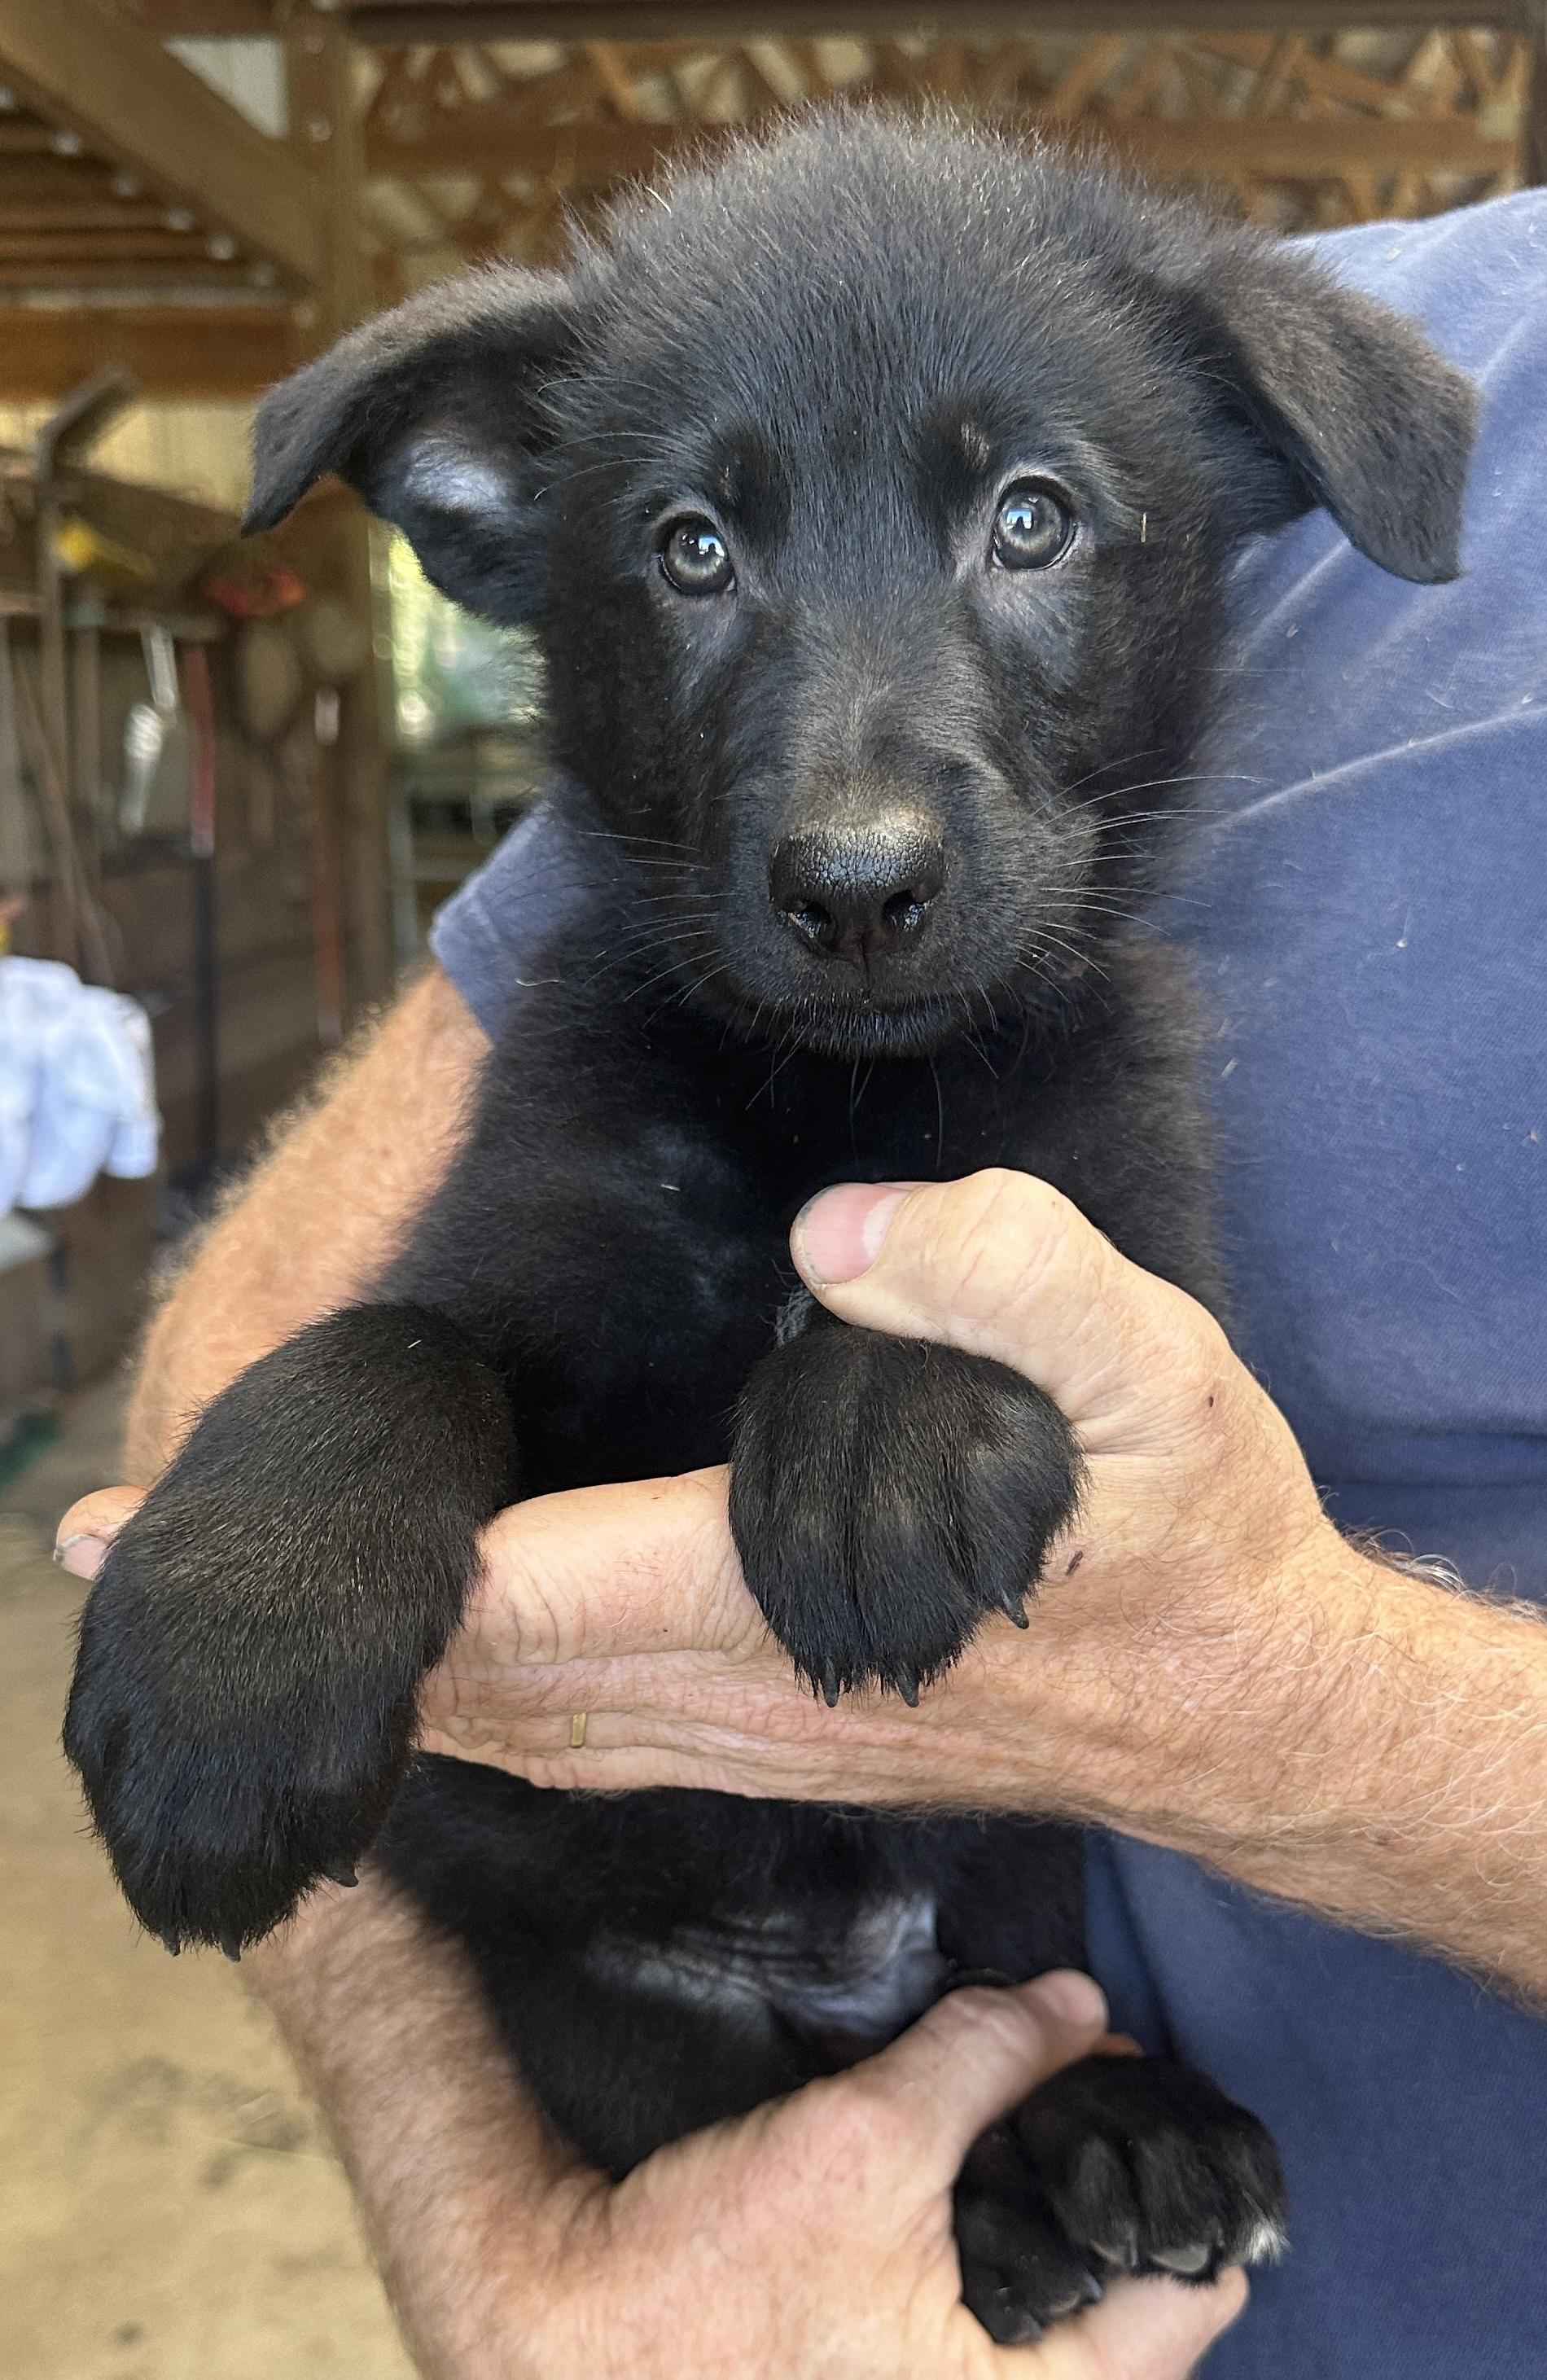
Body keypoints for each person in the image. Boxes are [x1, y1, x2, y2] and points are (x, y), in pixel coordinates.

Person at [58, 189, 1547, 2379]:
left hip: (1030, 2028)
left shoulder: (1105, 1075)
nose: (854, 819)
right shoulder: (600, 1042)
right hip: (635, 2039)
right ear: (501, 531)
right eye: (692, 551)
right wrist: (316, 1464)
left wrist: (953, 1398)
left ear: (1213, 509)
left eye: (1027, 521)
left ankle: (1028, 2139)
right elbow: (471, 1347)